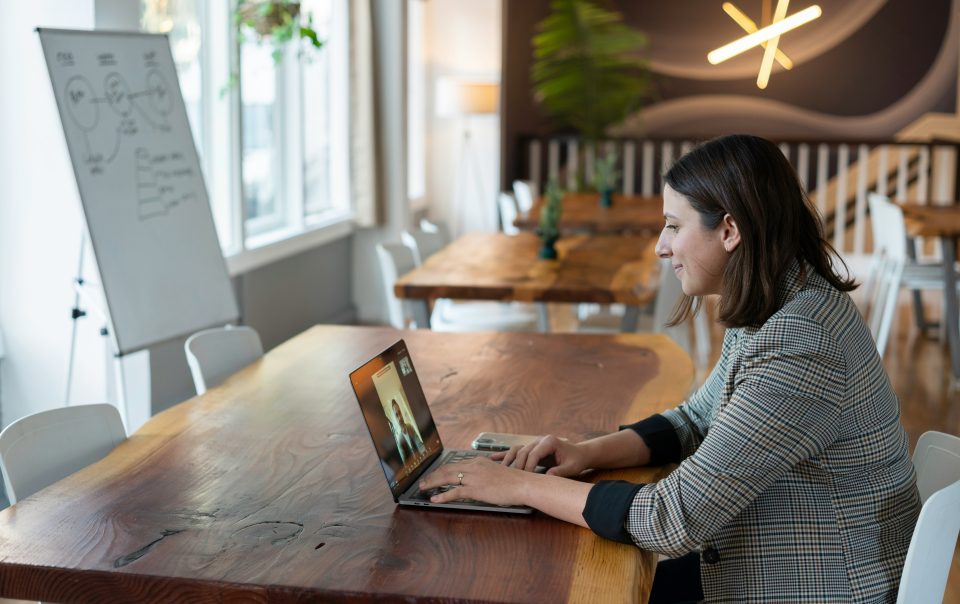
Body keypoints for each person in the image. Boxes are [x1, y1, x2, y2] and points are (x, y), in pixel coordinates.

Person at [419, 134, 921, 602]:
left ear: (729, 230)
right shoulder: (778, 298)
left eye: (674, 226)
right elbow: (695, 420)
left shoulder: (803, 339)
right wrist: (584, 452)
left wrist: (519, 488)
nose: (661, 246)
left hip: (821, 585)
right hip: (780, 558)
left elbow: (673, 519)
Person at [391, 398, 424, 464]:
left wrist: (424, 452)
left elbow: (419, 444)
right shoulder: (399, 440)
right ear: (394, 418)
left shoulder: (410, 427)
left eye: (399, 413)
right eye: (396, 415)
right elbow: (405, 462)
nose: (400, 417)